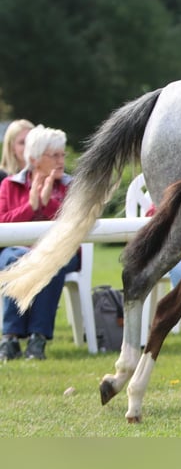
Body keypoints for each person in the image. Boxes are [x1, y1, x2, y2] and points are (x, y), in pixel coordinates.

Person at [0, 125, 81, 360]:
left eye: (62, 154)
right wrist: (31, 206)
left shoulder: (71, 185)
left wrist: (46, 203)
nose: (61, 160)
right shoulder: (10, 185)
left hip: (60, 252)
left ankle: (38, 339)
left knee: (48, 263)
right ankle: (10, 339)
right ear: (35, 160)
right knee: (14, 260)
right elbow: (3, 223)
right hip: (17, 251)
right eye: (54, 155)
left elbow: (73, 222)